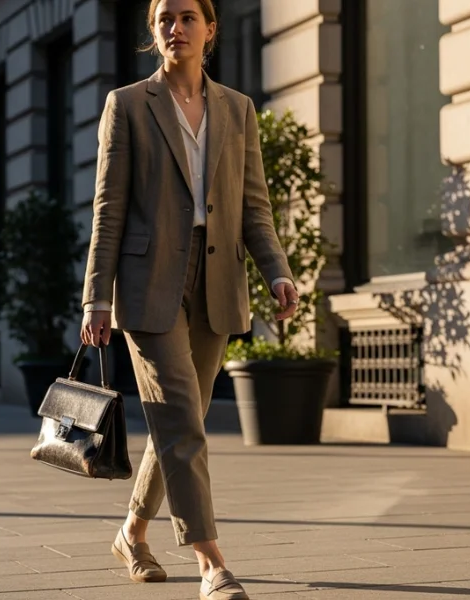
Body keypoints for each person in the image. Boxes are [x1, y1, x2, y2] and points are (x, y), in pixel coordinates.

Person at [79, 0, 299, 598]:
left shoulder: (238, 109)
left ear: (210, 29)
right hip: (148, 284)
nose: (175, 28)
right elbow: (109, 208)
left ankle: (132, 532)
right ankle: (211, 561)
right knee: (182, 418)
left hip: (216, 281)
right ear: (153, 33)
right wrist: (95, 297)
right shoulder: (126, 105)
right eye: (164, 20)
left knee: (183, 421)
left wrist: (277, 272)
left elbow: (255, 206)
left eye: (186, 17)